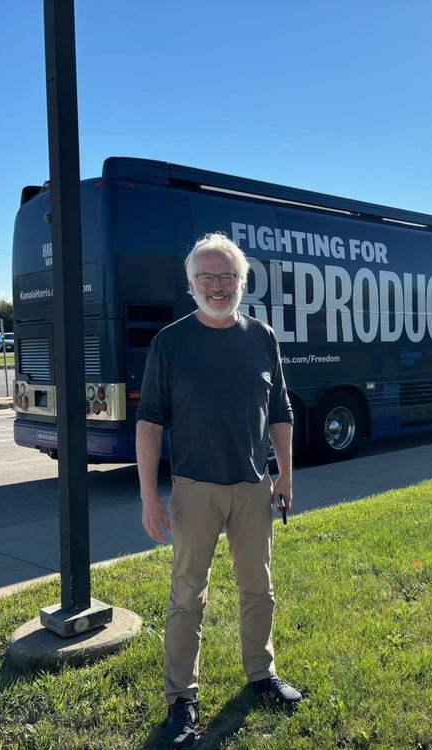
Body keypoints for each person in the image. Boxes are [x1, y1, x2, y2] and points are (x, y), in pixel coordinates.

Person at [137, 233, 301, 749]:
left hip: (253, 487)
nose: (216, 285)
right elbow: (148, 423)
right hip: (194, 489)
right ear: (191, 285)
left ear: (242, 282)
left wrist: (286, 473)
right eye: (206, 277)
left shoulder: (262, 337)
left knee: (259, 588)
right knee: (188, 596)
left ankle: (261, 673)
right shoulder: (171, 343)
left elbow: (280, 412)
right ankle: (181, 701)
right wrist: (148, 496)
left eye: (226, 276)